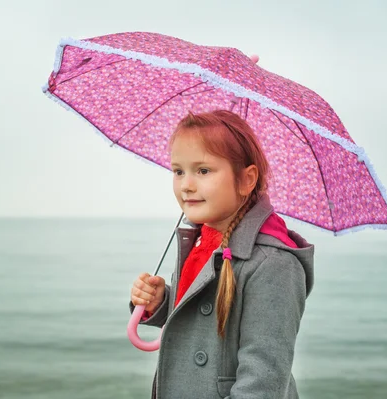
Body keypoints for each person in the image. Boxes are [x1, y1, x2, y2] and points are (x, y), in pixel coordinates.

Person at [130, 110, 314, 399]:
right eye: (179, 171)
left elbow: (261, 384)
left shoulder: (274, 264)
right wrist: (163, 302)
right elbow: (205, 322)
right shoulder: (202, 239)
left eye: (203, 171)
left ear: (246, 179)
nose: (186, 184)